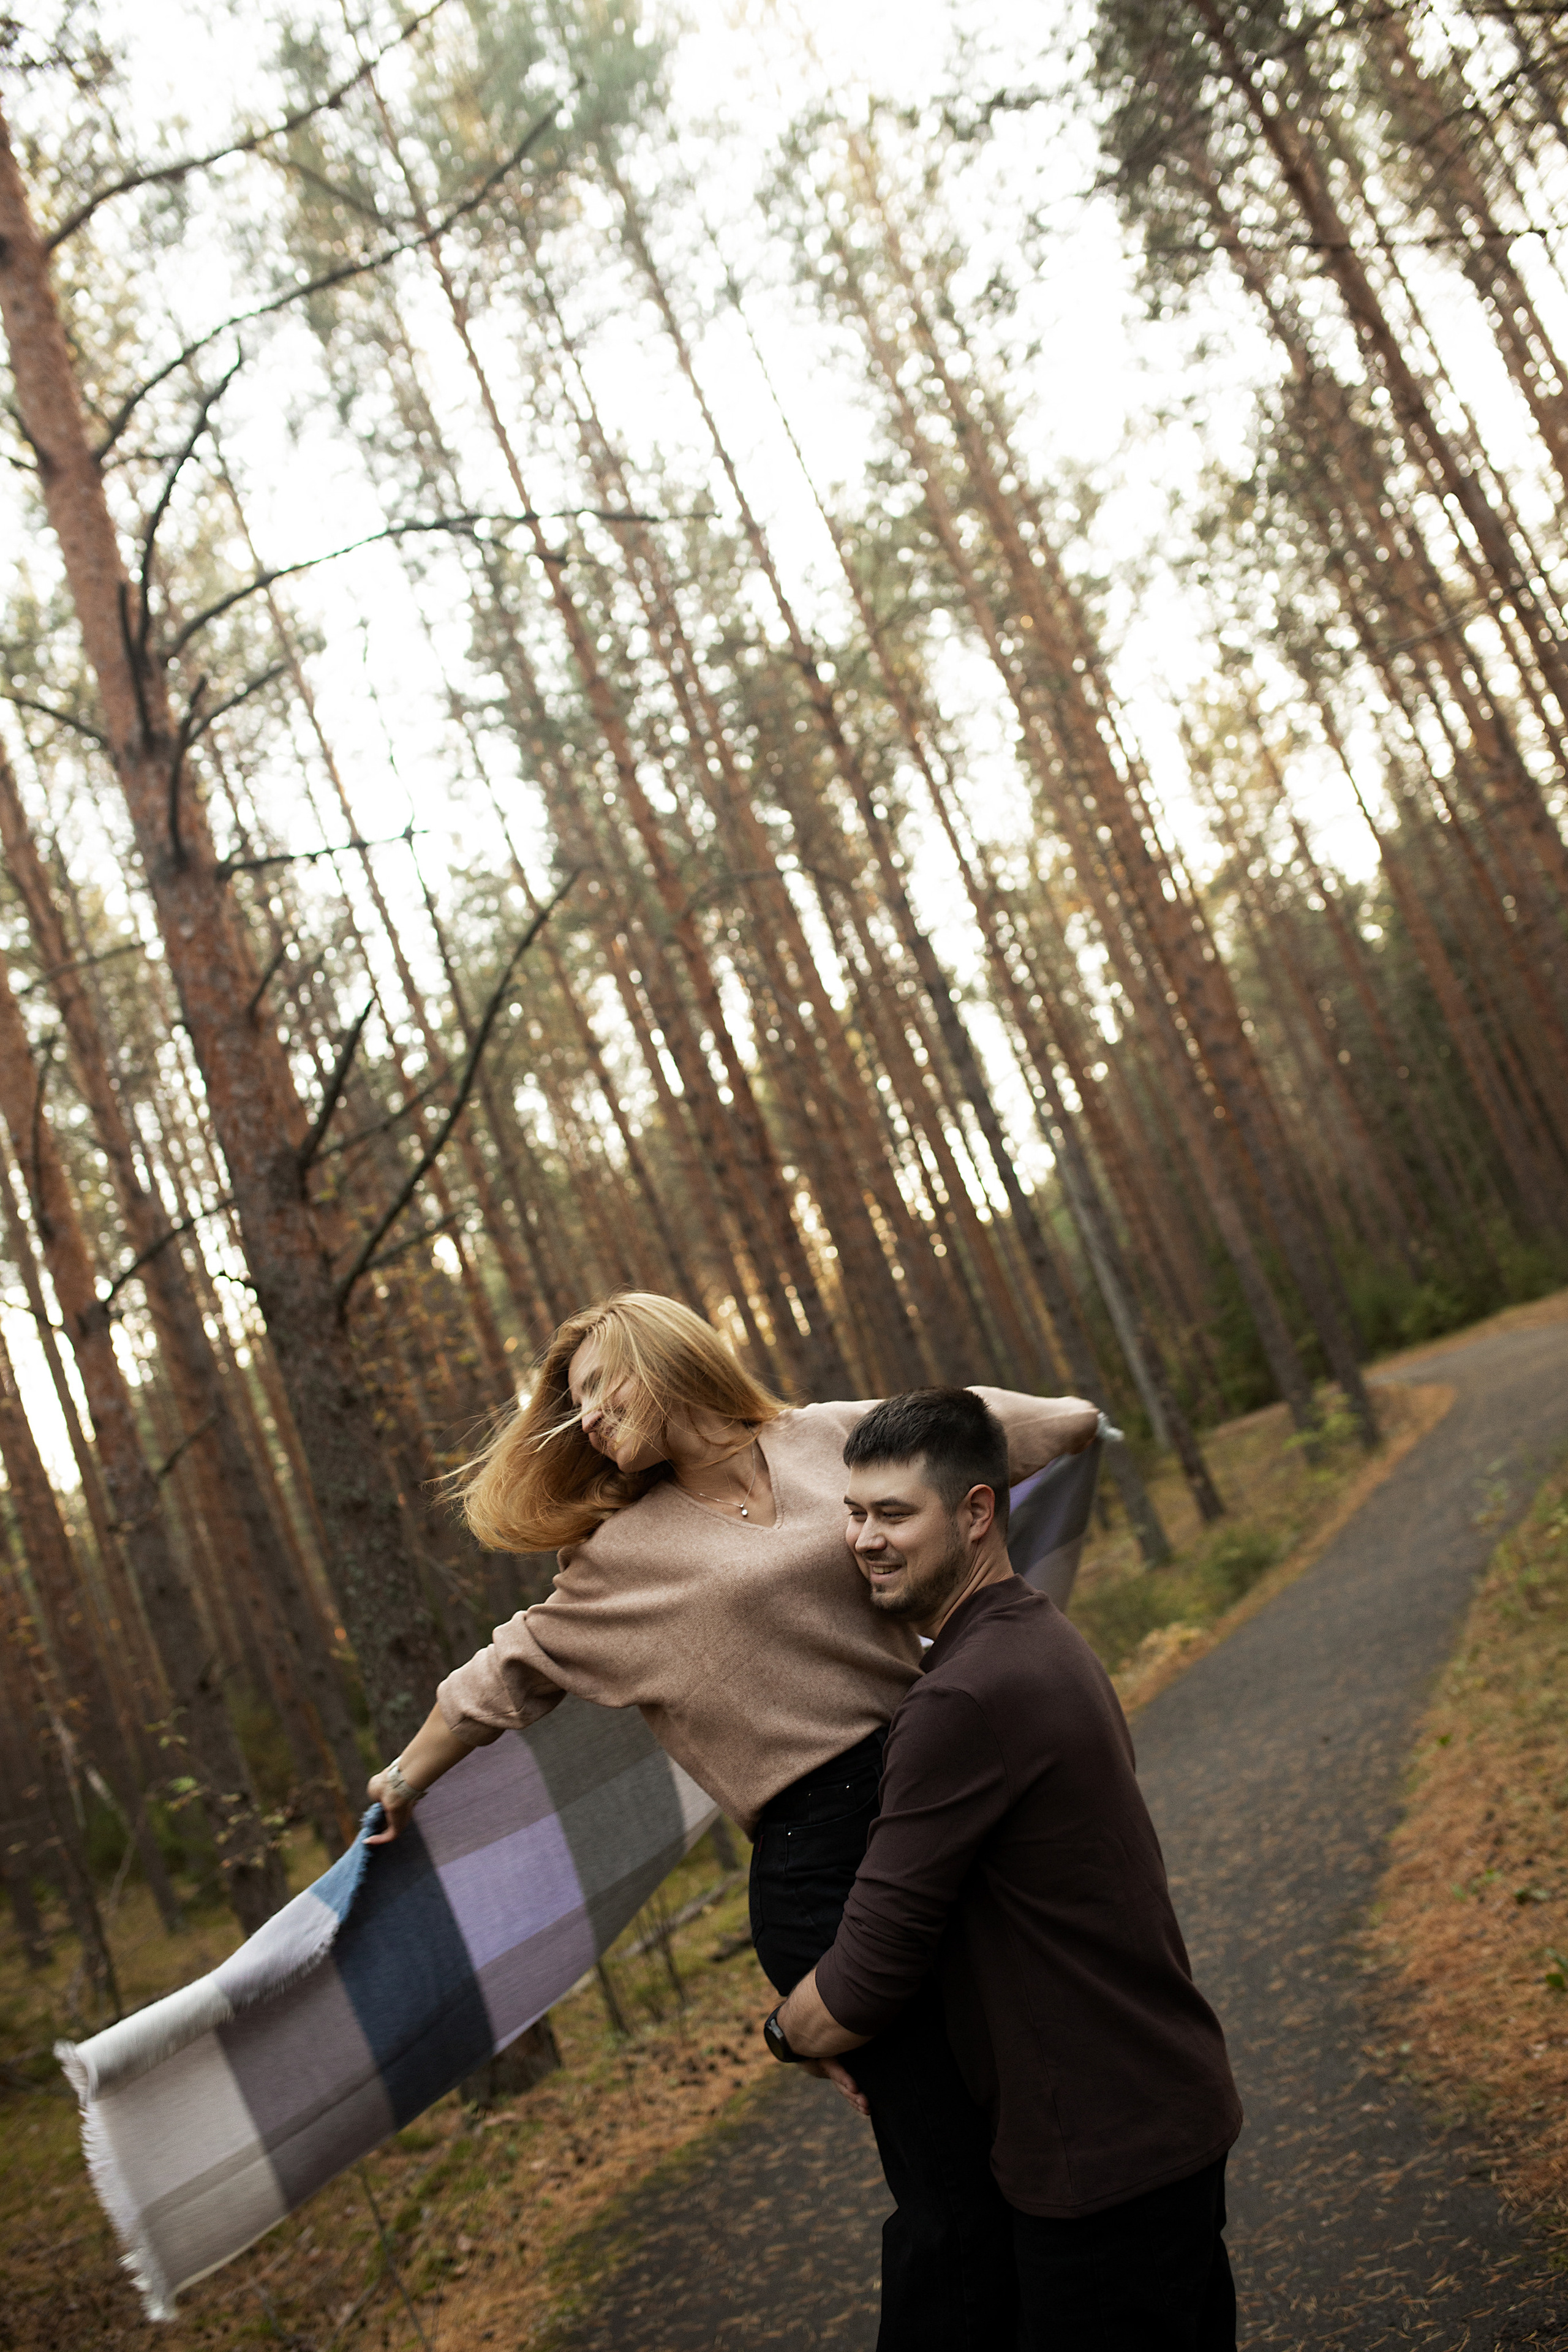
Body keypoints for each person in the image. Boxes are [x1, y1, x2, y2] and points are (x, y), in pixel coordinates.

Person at [363, 1292, 1098, 2351]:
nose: (587, 1421)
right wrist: (402, 1777)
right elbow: (500, 1677)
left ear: (666, 1357)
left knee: (1042, 2128)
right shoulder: (616, 1558)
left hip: (946, 1808)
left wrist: (1080, 1420)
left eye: (599, 1387)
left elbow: (979, 1434)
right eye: (571, 1410)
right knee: (952, 2188)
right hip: (824, 1868)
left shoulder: (825, 1437)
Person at [767, 1387, 1242, 2352]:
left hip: (1099, 2155)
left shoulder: (961, 1702)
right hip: (1160, 2109)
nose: (863, 1540)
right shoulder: (1039, 1635)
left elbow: (869, 1970)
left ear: (977, 1511)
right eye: (854, 1512)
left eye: (895, 1513)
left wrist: (786, 2030)